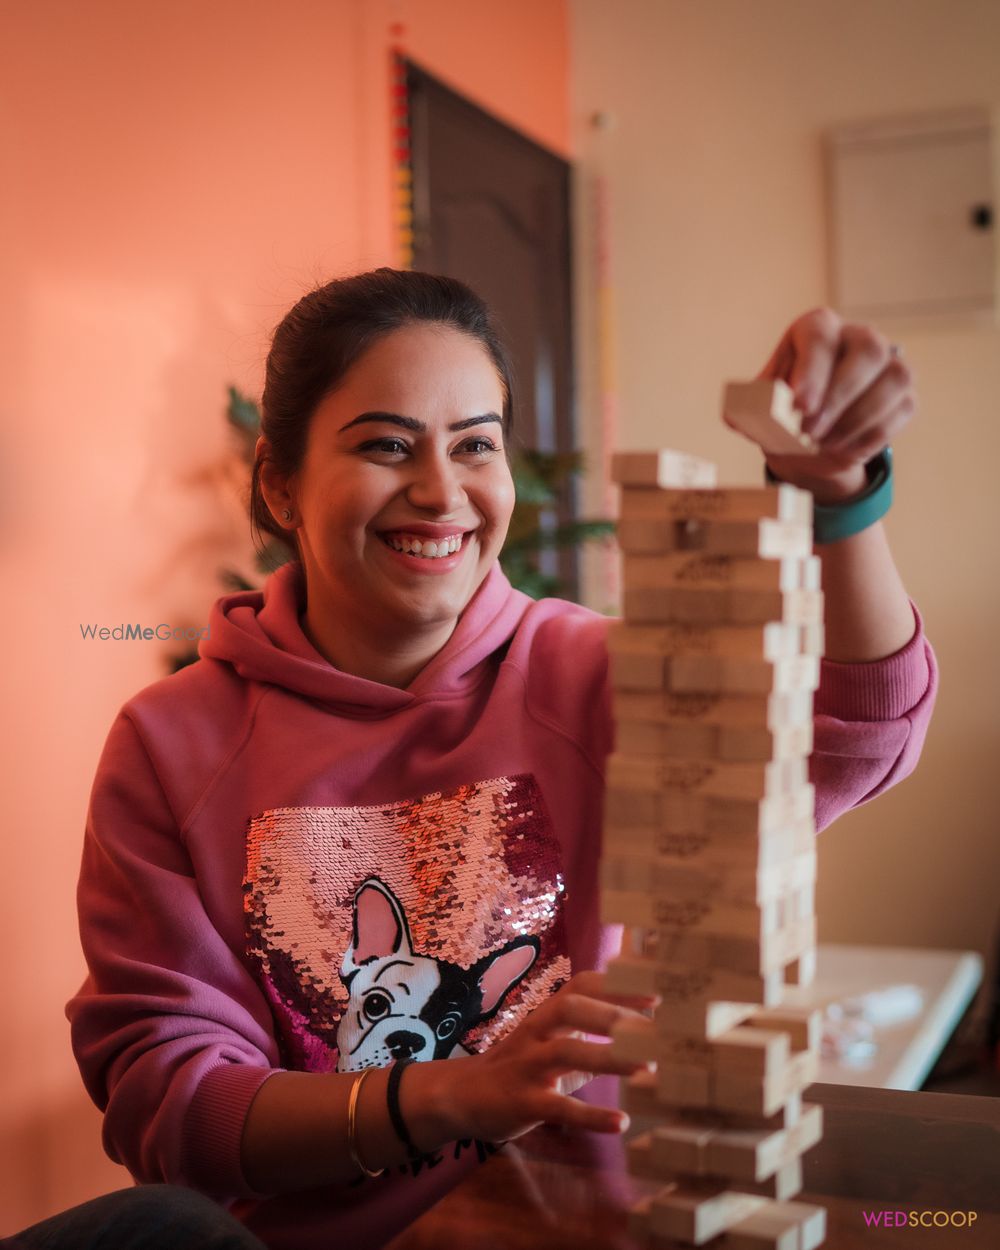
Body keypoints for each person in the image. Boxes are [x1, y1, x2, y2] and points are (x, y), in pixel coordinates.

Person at [65, 268, 937, 1250]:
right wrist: (458, 1092)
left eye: (475, 443)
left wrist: (835, 497)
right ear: (278, 481)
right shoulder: (168, 743)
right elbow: (170, 1105)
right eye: (386, 445)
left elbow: (850, 735)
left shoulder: (593, 673)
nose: (442, 492)